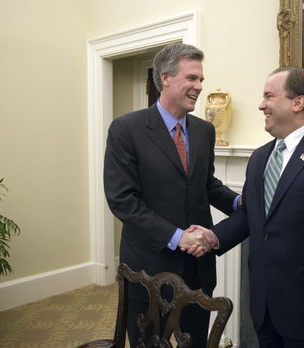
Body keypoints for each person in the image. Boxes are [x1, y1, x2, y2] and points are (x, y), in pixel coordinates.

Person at [188, 67, 304, 347]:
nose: (261, 105)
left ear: (298, 102)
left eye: (269, 96)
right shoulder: (261, 157)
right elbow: (251, 215)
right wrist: (214, 237)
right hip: (265, 308)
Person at [103, 43, 240, 348]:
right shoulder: (126, 129)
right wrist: (178, 237)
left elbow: (206, 184)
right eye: (192, 78)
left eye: (201, 80)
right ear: (165, 78)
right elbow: (122, 200)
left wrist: (237, 202)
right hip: (148, 269)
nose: (199, 87)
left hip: (198, 272)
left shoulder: (205, 131)